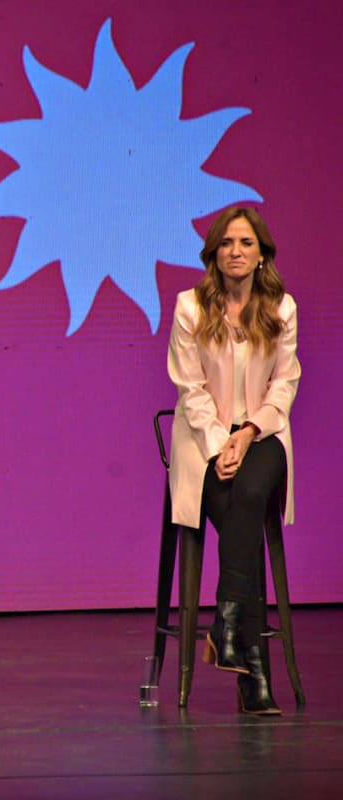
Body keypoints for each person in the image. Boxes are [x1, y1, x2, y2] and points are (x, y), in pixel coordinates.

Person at [167, 206, 299, 715]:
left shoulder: (281, 309)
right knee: (242, 506)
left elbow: (283, 387)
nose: (236, 252)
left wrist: (245, 435)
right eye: (226, 244)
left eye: (246, 243)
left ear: (261, 254)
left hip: (263, 435)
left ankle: (225, 627)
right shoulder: (190, 307)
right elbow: (189, 387)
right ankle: (254, 676)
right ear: (213, 254)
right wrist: (222, 441)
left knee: (248, 492)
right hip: (204, 441)